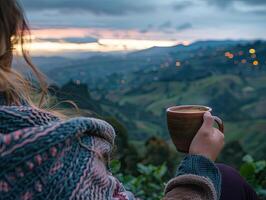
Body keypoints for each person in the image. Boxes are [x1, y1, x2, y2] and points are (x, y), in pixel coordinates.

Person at [0, 0, 258, 199]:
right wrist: (199, 162)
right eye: (12, 42)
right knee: (228, 179)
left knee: (226, 177)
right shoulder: (46, 154)